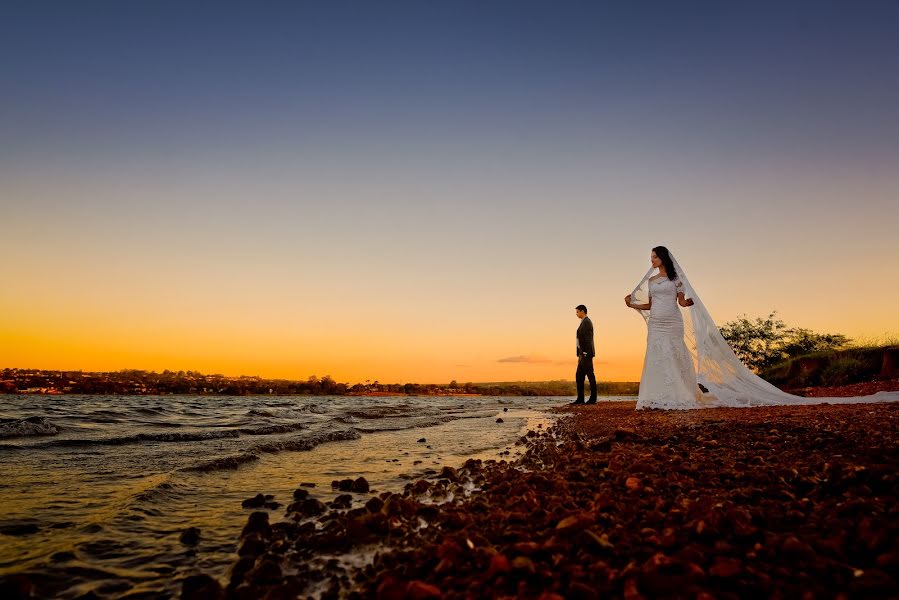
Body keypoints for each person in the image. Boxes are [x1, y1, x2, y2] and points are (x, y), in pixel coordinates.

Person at [625, 246, 899, 409]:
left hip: (672, 320)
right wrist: (633, 306)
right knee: (656, 355)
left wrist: (689, 302)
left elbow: (682, 302)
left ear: (663, 258)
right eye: (650, 258)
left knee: (674, 352)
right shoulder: (650, 283)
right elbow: (649, 305)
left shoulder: (675, 278)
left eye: (654, 257)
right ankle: (655, 395)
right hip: (657, 322)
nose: (651, 261)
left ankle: (680, 395)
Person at [572, 304, 597, 405]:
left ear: (582, 311)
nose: (576, 314)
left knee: (590, 375)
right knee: (579, 376)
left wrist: (586, 352)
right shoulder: (583, 322)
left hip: (586, 354)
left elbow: (588, 338)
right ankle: (580, 399)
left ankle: (593, 399)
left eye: (577, 312)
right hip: (581, 354)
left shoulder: (587, 322)